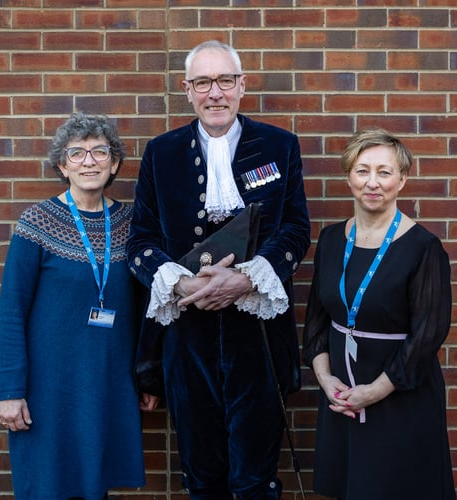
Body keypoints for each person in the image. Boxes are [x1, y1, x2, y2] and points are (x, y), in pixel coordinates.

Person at [126, 40, 311, 499]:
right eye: (203, 82)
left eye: (225, 80)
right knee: (202, 472)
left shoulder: (280, 146)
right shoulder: (161, 152)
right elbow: (141, 242)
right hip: (187, 335)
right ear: (187, 90)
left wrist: (246, 279)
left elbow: (295, 229)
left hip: (259, 335)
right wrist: (185, 283)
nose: (215, 93)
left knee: (255, 474)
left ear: (241, 86)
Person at [0, 112, 158, 500]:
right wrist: (10, 390)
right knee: (49, 483)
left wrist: (147, 375)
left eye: (100, 152)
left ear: (114, 163)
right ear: (62, 165)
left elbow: (147, 306)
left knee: (94, 483)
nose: (89, 161)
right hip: (48, 385)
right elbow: (11, 310)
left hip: (106, 378)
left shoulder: (131, 224)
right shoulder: (35, 223)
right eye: (77, 153)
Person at [302, 128, 456, 499]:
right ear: (349, 176)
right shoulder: (332, 239)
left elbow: (427, 337)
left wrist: (373, 392)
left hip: (399, 396)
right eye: (362, 170)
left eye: (384, 172)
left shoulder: (424, 248)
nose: (372, 183)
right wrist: (327, 382)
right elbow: (317, 322)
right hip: (342, 396)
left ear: (402, 179)